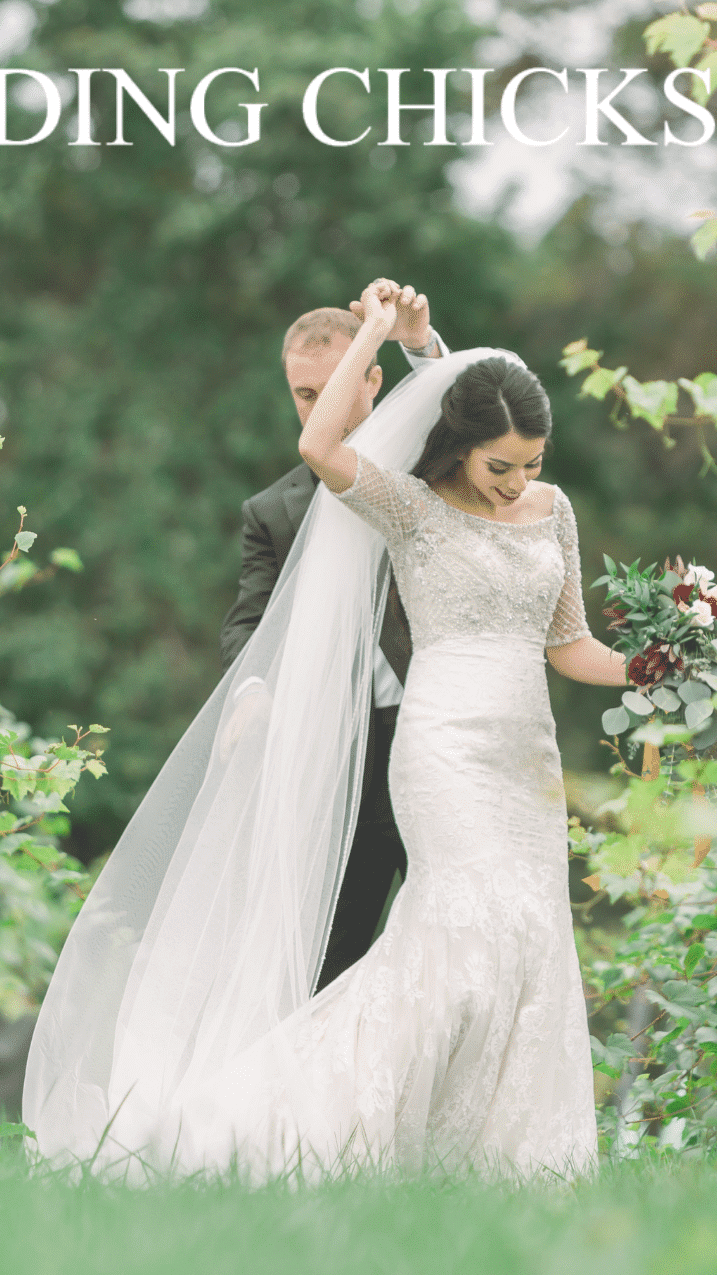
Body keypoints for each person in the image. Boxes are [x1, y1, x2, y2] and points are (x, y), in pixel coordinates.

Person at [23, 280, 628, 1182]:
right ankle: (311, 1121)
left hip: (519, 756)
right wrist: (253, 689)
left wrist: (666, 663)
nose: (517, 483)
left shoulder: (511, 488)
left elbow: (565, 628)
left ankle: (502, 1148)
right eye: (301, 392)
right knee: (422, 945)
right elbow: (258, 605)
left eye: (530, 464)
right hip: (411, 749)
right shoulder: (376, 500)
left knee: (522, 941)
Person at [218, 284, 446, 989]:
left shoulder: (433, 466)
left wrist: (417, 341)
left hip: (436, 728)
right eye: (304, 394)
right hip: (337, 752)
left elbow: (465, 406)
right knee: (328, 956)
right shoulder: (272, 510)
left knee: (450, 932)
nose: (320, 405)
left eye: (335, 385)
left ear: (372, 378)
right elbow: (247, 621)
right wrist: (252, 690)